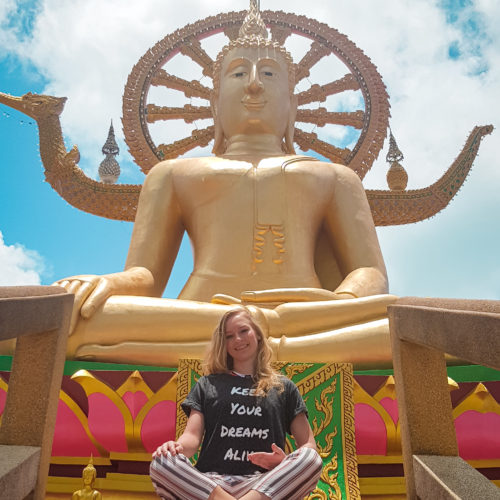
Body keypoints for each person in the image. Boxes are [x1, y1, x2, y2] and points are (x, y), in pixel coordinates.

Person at [53, 1, 396, 367]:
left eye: (268, 74)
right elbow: (147, 277)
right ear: (215, 103)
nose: (252, 85)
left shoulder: (335, 177)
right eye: (237, 75)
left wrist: (343, 302)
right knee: (66, 316)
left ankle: (262, 342)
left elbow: (371, 274)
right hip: (204, 317)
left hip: (308, 318)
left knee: (407, 322)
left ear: (292, 105)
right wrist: (104, 286)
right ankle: (269, 343)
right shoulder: (172, 174)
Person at [150, 308, 323, 500]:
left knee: (311, 458)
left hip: (261, 485)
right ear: (223, 344)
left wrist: (283, 462)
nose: (238, 340)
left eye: (243, 331)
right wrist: (173, 448)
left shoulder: (283, 387)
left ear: (257, 333)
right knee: (162, 462)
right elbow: (191, 438)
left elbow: (309, 445)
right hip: (212, 484)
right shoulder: (208, 384)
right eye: (229, 336)